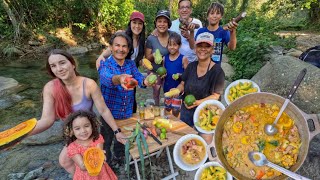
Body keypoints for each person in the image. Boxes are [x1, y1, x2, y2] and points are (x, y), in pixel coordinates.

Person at [29, 49, 126, 174]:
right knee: (66, 161)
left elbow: (103, 110)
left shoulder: (89, 84)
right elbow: (47, 120)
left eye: (62, 63)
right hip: (71, 133)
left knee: (88, 159)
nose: (59, 69)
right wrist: (22, 135)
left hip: (88, 131)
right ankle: (85, 175)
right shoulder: (50, 88)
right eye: (53, 66)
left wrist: (117, 131)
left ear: (72, 64)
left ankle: (93, 174)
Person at [98, 32, 153, 165]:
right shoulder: (105, 65)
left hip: (126, 113)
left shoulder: (130, 64)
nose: (120, 49)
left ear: (128, 50)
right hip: (108, 115)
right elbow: (107, 79)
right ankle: (106, 164)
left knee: (122, 141)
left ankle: (119, 158)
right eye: (117, 45)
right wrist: (120, 78)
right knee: (105, 142)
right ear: (111, 47)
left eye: (124, 46)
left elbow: (138, 77)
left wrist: (145, 82)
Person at [174, 32, 225, 144]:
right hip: (187, 110)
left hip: (206, 114)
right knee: (185, 140)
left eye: (207, 46)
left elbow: (216, 96)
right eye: (200, 46)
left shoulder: (218, 72)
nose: (203, 49)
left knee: (203, 142)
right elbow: (182, 83)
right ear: (195, 48)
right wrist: (177, 89)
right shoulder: (191, 66)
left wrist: (197, 103)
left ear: (212, 50)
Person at [96, 11, 146, 113]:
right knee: (114, 94)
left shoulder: (142, 41)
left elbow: (138, 74)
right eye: (134, 22)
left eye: (140, 23)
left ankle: (128, 113)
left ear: (128, 49)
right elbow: (106, 76)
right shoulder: (122, 35)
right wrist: (101, 56)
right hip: (116, 70)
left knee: (129, 98)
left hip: (130, 71)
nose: (137, 26)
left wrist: (145, 81)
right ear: (130, 23)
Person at [64, 110, 117, 180]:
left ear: (92, 126)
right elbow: (82, 167)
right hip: (85, 176)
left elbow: (99, 153)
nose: (83, 131)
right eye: (77, 128)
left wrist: (102, 156)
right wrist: (96, 159)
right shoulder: (72, 147)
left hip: (101, 173)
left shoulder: (97, 138)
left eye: (86, 126)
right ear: (71, 131)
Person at [145, 9, 173, 106]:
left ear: (168, 24)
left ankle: (170, 110)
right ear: (156, 23)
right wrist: (153, 55)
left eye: (165, 21)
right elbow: (146, 59)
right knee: (156, 93)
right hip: (155, 71)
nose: (162, 24)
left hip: (169, 71)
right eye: (159, 21)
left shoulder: (173, 35)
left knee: (170, 92)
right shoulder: (151, 38)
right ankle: (157, 108)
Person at [163, 32, 188, 117]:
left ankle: (175, 123)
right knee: (167, 108)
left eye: (175, 45)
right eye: (170, 45)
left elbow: (187, 75)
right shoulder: (164, 58)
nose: (172, 47)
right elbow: (163, 71)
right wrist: (163, 75)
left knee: (176, 110)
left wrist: (180, 75)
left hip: (178, 91)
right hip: (167, 89)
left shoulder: (183, 59)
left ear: (179, 45)